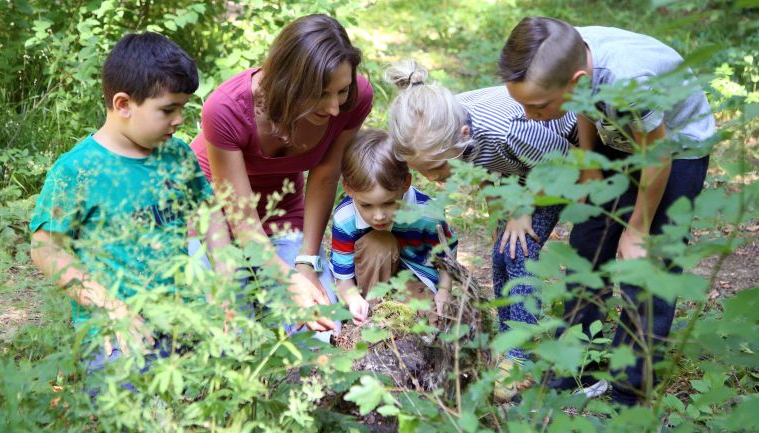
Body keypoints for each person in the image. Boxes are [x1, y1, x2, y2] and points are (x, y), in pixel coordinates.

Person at [499, 16, 714, 405]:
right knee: (589, 245)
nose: (530, 116)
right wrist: (589, 163)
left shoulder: (628, 79)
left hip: (675, 148)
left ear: (577, 80)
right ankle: (580, 364)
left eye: (538, 106)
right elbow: (585, 105)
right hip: (618, 136)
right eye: (523, 106)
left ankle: (629, 391)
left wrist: (638, 229)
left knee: (646, 268)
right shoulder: (570, 56)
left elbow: (658, 153)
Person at [29, 32, 229, 361]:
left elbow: (210, 214)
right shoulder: (78, 170)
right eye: (168, 110)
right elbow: (45, 248)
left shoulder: (177, 154)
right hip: (115, 332)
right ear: (123, 105)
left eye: (183, 108)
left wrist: (224, 287)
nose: (179, 119)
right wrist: (110, 306)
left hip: (182, 320)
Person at [384, 60, 578, 397]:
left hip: (558, 163)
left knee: (519, 252)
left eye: (436, 167)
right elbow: (488, 165)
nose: (432, 178)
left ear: (461, 137)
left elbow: (562, 159)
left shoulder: (507, 130)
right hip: (522, 169)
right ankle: (509, 338)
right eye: (422, 171)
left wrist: (521, 209)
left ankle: (520, 358)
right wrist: (497, 209)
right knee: (502, 252)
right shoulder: (443, 126)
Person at [190, 14, 373, 334]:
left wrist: (306, 264)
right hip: (213, 215)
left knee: (325, 324)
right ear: (288, 82)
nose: (334, 108)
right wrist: (285, 281)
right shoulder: (225, 109)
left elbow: (326, 174)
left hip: (282, 208)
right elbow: (240, 216)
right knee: (231, 330)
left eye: (341, 91)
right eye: (321, 94)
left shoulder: (354, 99)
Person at [329, 129, 457, 326]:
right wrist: (353, 299)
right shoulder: (345, 218)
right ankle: (371, 319)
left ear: (405, 183)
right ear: (348, 189)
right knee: (379, 242)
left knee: (431, 323)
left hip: (416, 278)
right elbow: (343, 279)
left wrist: (444, 291)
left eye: (389, 203)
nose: (379, 216)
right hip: (368, 283)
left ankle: (398, 322)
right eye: (367, 205)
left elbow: (447, 256)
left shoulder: (428, 213)